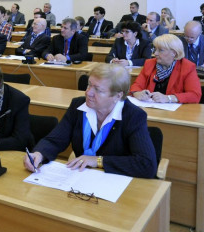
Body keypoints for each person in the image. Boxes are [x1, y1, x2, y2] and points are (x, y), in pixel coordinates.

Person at [24, 63, 158, 178]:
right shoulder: (78, 106)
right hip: (80, 177)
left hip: (114, 181)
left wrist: (98, 161)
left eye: (98, 90)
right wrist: (39, 154)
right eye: (89, 85)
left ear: (117, 95)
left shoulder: (133, 116)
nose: (89, 93)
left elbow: (146, 164)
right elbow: (55, 139)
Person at [130, 34, 201, 103]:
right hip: (151, 108)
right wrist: (138, 93)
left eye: (160, 50)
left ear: (173, 53)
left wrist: (168, 98)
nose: (155, 53)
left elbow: (195, 95)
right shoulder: (150, 63)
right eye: (155, 49)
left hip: (176, 112)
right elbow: (136, 85)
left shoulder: (187, 67)